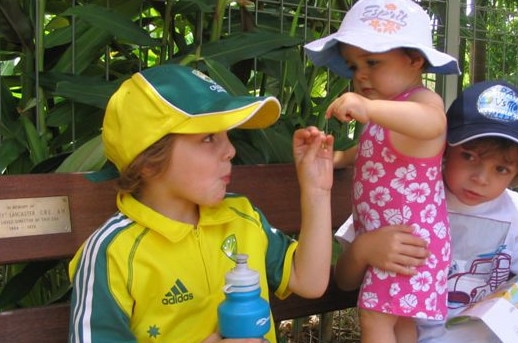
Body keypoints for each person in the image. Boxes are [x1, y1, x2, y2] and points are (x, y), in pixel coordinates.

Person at [67, 64, 335, 343]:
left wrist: (316, 191)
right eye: (209, 138)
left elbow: (309, 281)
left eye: (227, 135)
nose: (231, 150)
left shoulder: (241, 216)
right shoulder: (113, 253)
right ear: (148, 161)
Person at [334, 80, 518, 342]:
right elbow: (344, 281)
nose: (480, 178)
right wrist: (363, 248)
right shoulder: (409, 194)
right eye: (469, 156)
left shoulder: (517, 214)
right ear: (444, 148)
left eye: (501, 169)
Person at [304, 0, 460, 341]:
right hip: (395, 241)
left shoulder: (421, 102)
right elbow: (380, 152)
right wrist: (343, 158)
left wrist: (370, 107)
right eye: (353, 65)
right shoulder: (388, 114)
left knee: (375, 316)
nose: (360, 74)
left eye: (372, 62)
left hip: (408, 243)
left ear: (415, 60)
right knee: (400, 322)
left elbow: (434, 123)